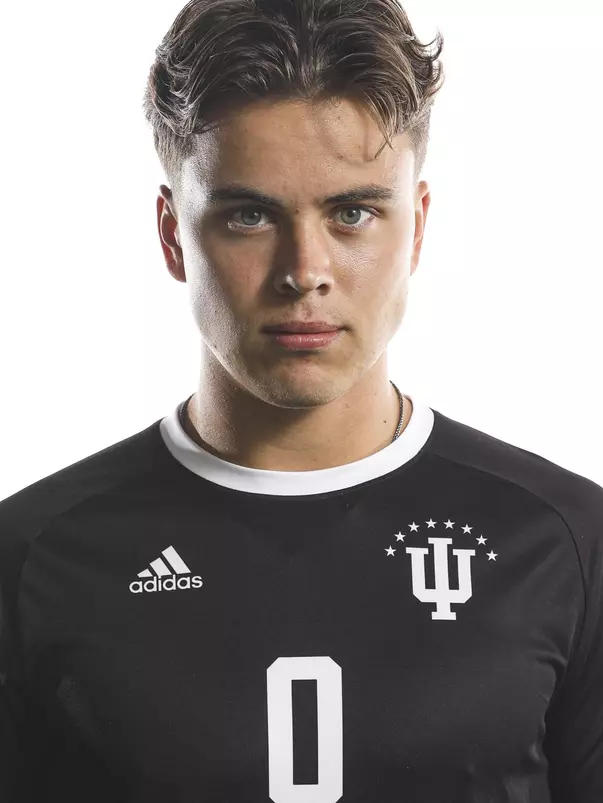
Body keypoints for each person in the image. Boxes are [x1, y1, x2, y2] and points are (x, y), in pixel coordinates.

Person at [1, 0, 601, 800]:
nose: (303, 269)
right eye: (249, 215)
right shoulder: (34, 557)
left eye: (353, 212)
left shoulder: (565, 542)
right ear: (174, 235)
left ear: (415, 229)